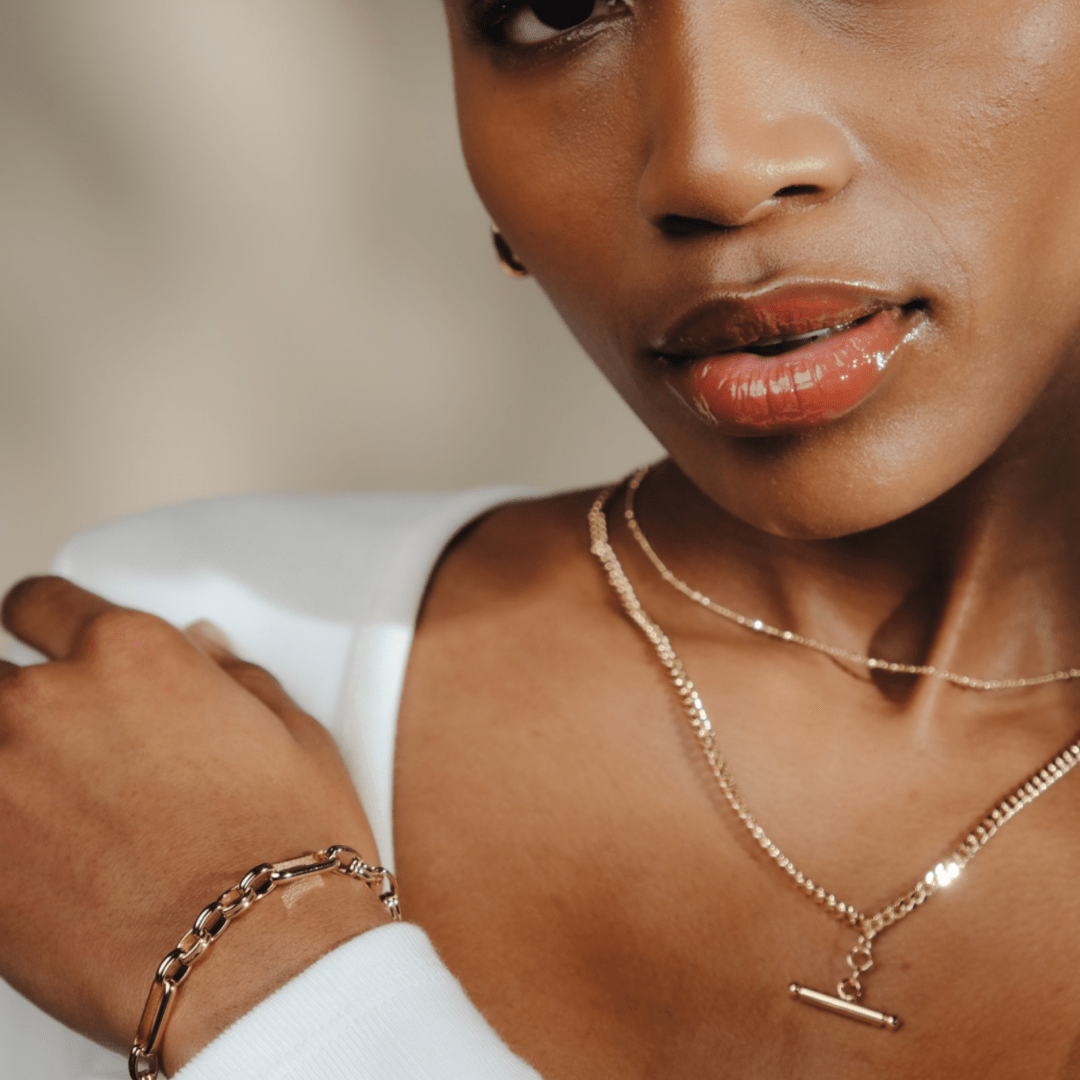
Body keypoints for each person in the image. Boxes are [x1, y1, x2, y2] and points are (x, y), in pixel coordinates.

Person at [3, 0, 1080, 1076]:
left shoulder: (176, 849)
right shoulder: (161, 690)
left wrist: (270, 984)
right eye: (550, 10)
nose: (712, 160)